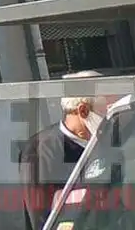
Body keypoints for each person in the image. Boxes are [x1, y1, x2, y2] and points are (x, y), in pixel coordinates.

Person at [18, 70, 118, 230]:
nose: (114, 119)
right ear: (83, 111)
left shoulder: (109, 140)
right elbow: (43, 218)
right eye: (108, 111)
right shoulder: (41, 151)